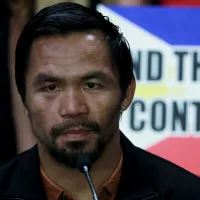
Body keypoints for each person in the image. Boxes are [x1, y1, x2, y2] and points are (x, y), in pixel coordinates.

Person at [0, 2, 200, 200]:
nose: (73, 108)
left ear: (127, 92)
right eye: (51, 88)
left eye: (92, 85)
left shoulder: (188, 193)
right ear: (24, 98)